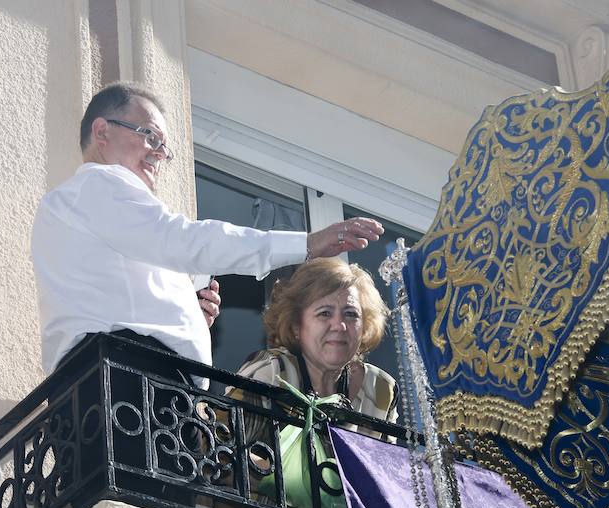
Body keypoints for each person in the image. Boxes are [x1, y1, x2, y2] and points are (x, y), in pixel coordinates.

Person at [31, 81, 383, 382]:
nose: (159, 154)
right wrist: (306, 243)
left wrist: (188, 310)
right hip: (124, 375)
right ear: (102, 131)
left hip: (131, 380)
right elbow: (186, 241)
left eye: (164, 147)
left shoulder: (104, 209)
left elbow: (136, 279)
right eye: (150, 136)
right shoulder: (99, 184)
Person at [230, 257, 397, 433]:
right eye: (325, 313)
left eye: (351, 314)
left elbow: (385, 460)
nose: (339, 325)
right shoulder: (271, 370)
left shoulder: (380, 389)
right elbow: (224, 450)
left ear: (365, 326)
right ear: (296, 325)